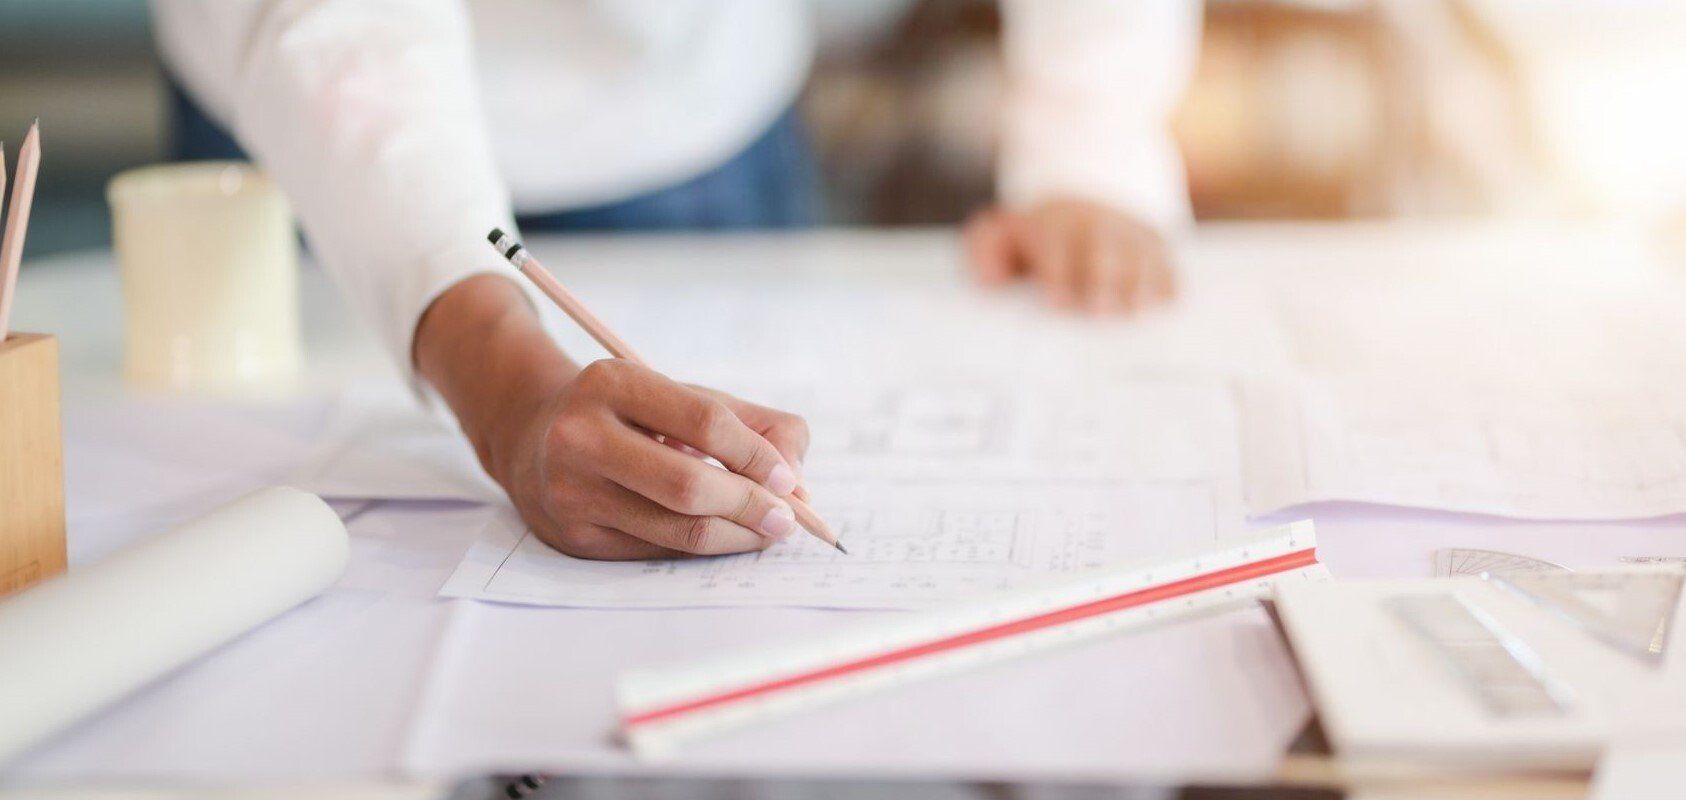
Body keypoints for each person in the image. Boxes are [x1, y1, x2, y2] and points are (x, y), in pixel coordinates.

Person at [149, 0, 1201, 560]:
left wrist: (1090, 131)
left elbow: (1094, 132)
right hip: (307, 103)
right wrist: (502, 385)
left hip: (692, 100)